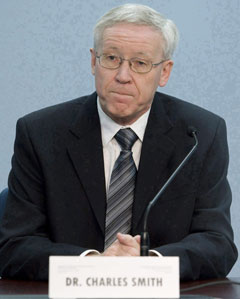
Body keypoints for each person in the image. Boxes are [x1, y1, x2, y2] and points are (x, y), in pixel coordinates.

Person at [0, 3, 237, 281]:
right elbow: (13, 245)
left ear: (164, 72)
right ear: (93, 61)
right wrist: (91, 264)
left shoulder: (200, 136)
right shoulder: (41, 133)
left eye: (140, 63)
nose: (123, 76)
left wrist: (150, 263)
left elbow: (217, 243)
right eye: (111, 58)